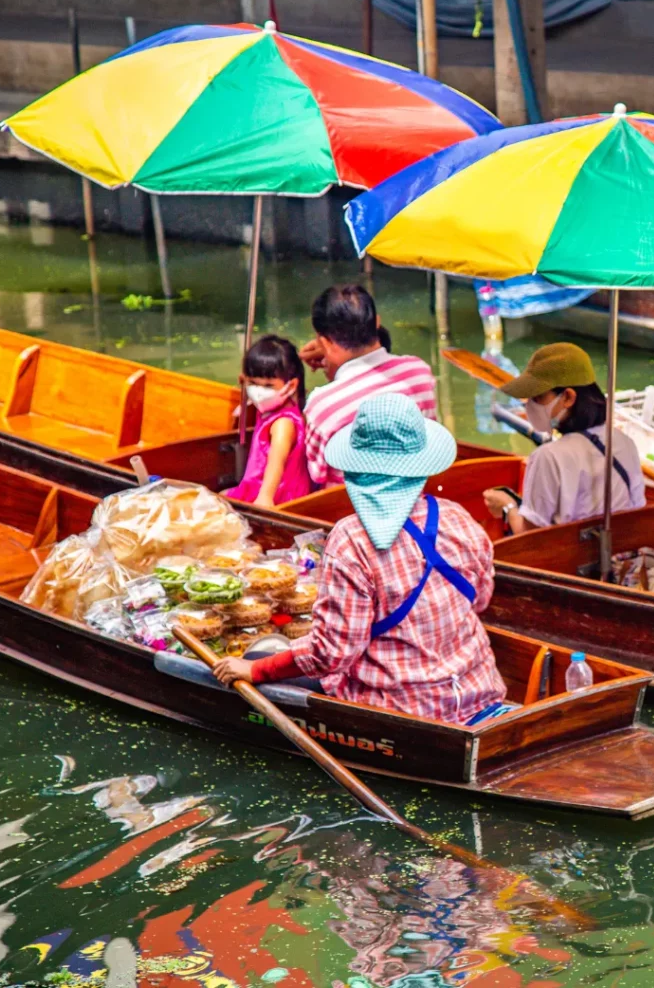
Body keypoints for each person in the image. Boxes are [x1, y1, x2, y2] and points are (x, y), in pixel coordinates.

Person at [214, 394, 507, 726]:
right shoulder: (459, 518)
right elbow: (479, 600)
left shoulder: (352, 540)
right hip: (478, 690)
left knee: (257, 654)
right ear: (420, 468)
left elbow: (331, 654)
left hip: (400, 710)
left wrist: (256, 668)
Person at [482, 343, 644, 535]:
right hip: (623, 554)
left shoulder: (548, 457)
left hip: (571, 561)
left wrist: (508, 506)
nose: (529, 406)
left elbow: (529, 536)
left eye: (538, 398)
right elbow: (637, 509)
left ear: (568, 397)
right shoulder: (625, 442)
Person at [299, 285, 437, 487]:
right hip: (416, 492)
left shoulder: (322, 405)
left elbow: (316, 475)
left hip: (348, 510)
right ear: (378, 323)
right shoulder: (418, 372)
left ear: (324, 342)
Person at [224, 335, 312, 508]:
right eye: (253, 383)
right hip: (254, 486)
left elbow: (276, 462)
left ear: (291, 385)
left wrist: (265, 497)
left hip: (275, 494)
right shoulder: (270, 409)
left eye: (268, 386)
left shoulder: (283, 424)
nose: (258, 392)